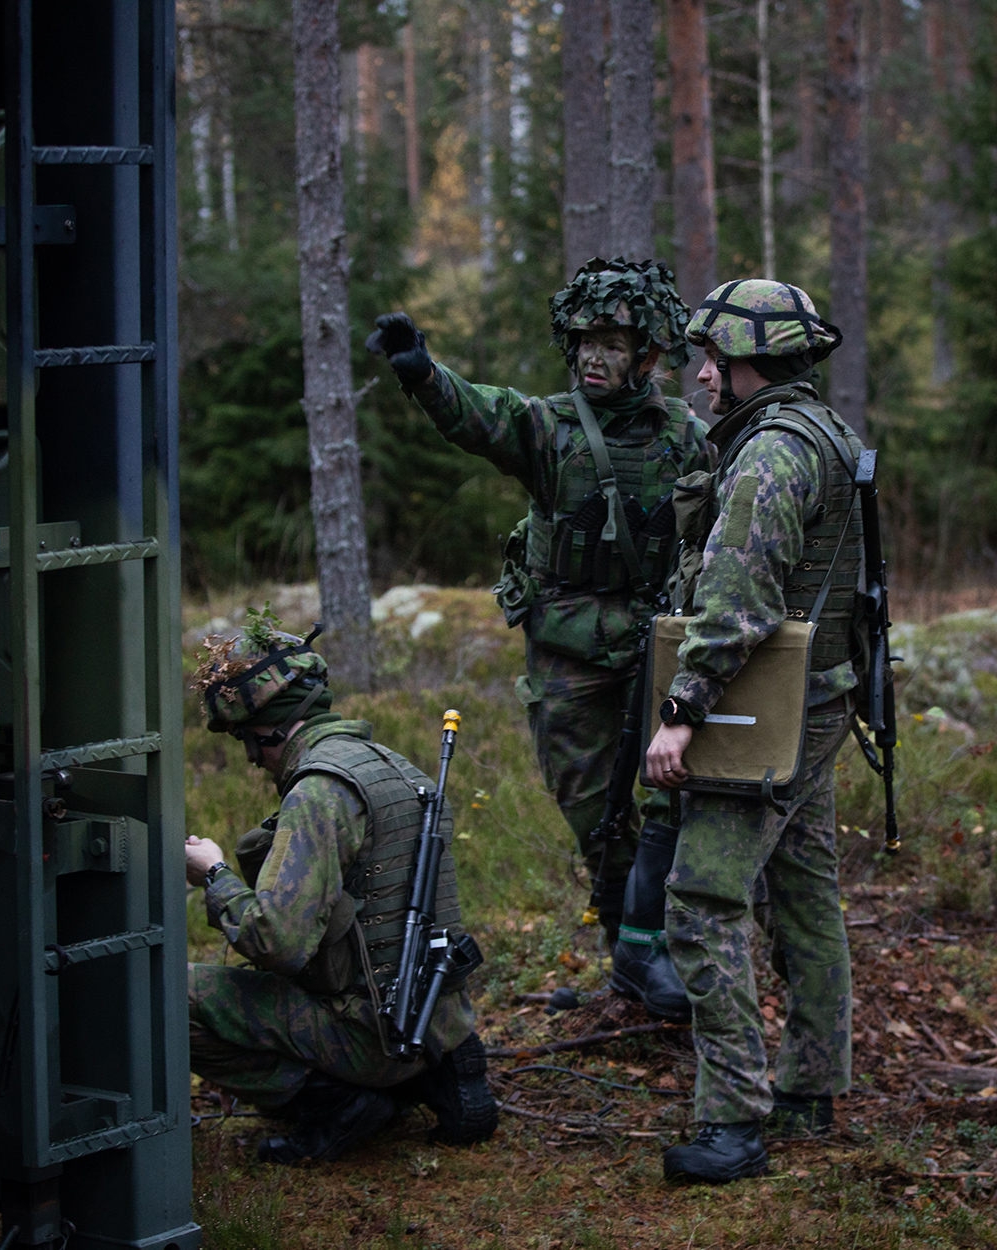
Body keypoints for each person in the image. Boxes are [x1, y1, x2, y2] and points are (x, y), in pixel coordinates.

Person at [369, 260, 710, 995]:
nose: (594, 355)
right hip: (570, 653)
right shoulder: (548, 429)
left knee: (669, 802)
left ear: (647, 352)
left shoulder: (684, 435)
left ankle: (659, 954)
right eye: (585, 340)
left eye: (613, 343)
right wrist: (424, 373)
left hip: (654, 646)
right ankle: (629, 950)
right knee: (593, 811)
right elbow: (479, 414)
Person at [638, 280, 861, 1183]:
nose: (700, 377)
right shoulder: (828, 435)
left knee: (700, 902)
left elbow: (737, 605)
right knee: (805, 891)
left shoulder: (770, 455)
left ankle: (734, 1119)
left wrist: (682, 709)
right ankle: (811, 1087)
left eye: (714, 362)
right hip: (821, 698)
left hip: (763, 710)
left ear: (752, 365)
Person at [185, 610, 498, 1164]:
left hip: (372, 1033)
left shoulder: (319, 793)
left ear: (277, 730)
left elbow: (276, 941)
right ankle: (438, 1074)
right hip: (434, 1019)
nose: (252, 760)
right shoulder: (396, 769)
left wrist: (214, 875)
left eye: (250, 742)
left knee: (172, 995)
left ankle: (336, 1103)